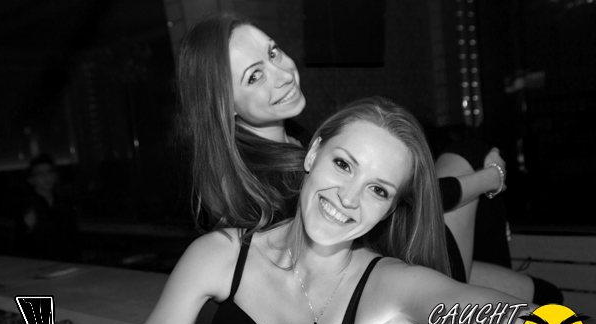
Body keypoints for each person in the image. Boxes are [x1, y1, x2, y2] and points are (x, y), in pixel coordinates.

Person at [84, 97, 535, 324]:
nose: (348, 198)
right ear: (313, 153)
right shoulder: (220, 256)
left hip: (438, 257)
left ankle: (489, 178)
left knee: (466, 155)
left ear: (389, 210)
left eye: (378, 190)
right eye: (343, 164)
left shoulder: (391, 283)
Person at [175, 12, 561, 303]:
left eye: (273, 52)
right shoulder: (276, 179)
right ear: (224, 106)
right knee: (471, 154)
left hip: (399, 253)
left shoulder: (285, 143)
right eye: (254, 76)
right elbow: (416, 196)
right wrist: (491, 179)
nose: (283, 74)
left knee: (544, 293)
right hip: (402, 273)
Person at [14, 154, 80, 262]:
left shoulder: (64, 202)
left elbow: (73, 236)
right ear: (31, 180)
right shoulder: (26, 205)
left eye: (49, 172)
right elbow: (19, 242)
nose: (46, 177)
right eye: (40, 173)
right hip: (39, 263)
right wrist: (27, 227)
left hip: (67, 261)